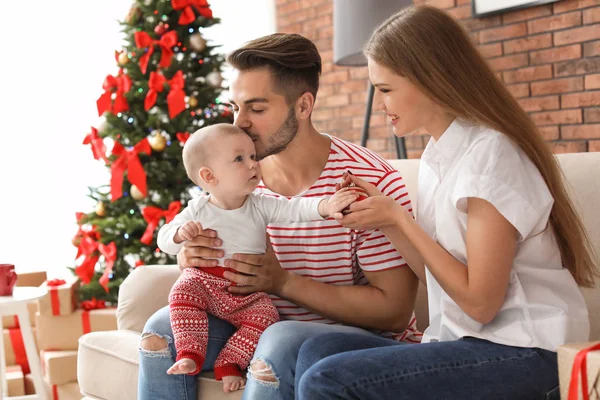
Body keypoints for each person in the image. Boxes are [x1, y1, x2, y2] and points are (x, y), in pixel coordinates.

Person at [293, 5, 598, 400]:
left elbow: (480, 305)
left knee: (326, 380)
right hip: (466, 342)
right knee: (315, 350)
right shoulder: (439, 155)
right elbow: (440, 278)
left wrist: (401, 221)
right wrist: (386, 219)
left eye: (386, 90)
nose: (381, 104)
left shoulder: (491, 158)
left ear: (430, 79)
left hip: (525, 352)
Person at [138, 33, 421, 400]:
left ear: (303, 106)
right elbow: (206, 253)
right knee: (161, 331)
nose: (240, 123)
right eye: (235, 107)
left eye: (256, 109)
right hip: (252, 326)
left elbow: (395, 312)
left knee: (281, 337)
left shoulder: (368, 182)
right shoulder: (235, 174)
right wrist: (194, 257)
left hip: (355, 342)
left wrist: (282, 283)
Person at [156, 123, 359, 392]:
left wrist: (326, 206)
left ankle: (229, 363)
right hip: (206, 284)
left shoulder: (260, 204)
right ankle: (189, 353)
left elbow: (295, 209)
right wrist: (180, 235)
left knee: (267, 316)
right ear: (209, 176)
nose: (253, 165)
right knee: (182, 290)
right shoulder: (198, 209)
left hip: (245, 294)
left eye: (253, 157)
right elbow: (164, 238)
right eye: (240, 159)